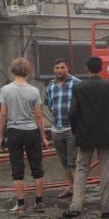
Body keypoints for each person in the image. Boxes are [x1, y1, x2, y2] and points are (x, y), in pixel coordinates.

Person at [63, 57, 109, 219]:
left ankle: (76, 206)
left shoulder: (79, 87)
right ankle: (106, 207)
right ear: (101, 69)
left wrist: (77, 130)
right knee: (105, 169)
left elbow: (72, 113)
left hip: (85, 134)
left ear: (87, 68)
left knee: (82, 168)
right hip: (107, 134)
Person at [0, 58, 51, 215]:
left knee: (17, 168)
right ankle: (39, 202)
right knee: (37, 167)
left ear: (13, 70)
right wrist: (43, 137)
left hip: (14, 131)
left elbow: (2, 114)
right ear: (28, 70)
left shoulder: (6, 90)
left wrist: (1, 136)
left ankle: (21, 204)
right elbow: (39, 116)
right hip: (32, 132)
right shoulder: (34, 91)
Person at [45, 58, 80, 199]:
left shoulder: (76, 84)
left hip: (72, 129)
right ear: (54, 70)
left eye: (62, 68)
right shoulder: (51, 85)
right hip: (56, 129)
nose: (60, 70)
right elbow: (48, 103)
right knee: (64, 161)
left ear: (68, 68)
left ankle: (78, 192)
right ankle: (70, 187)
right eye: (57, 68)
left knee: (73, 161)